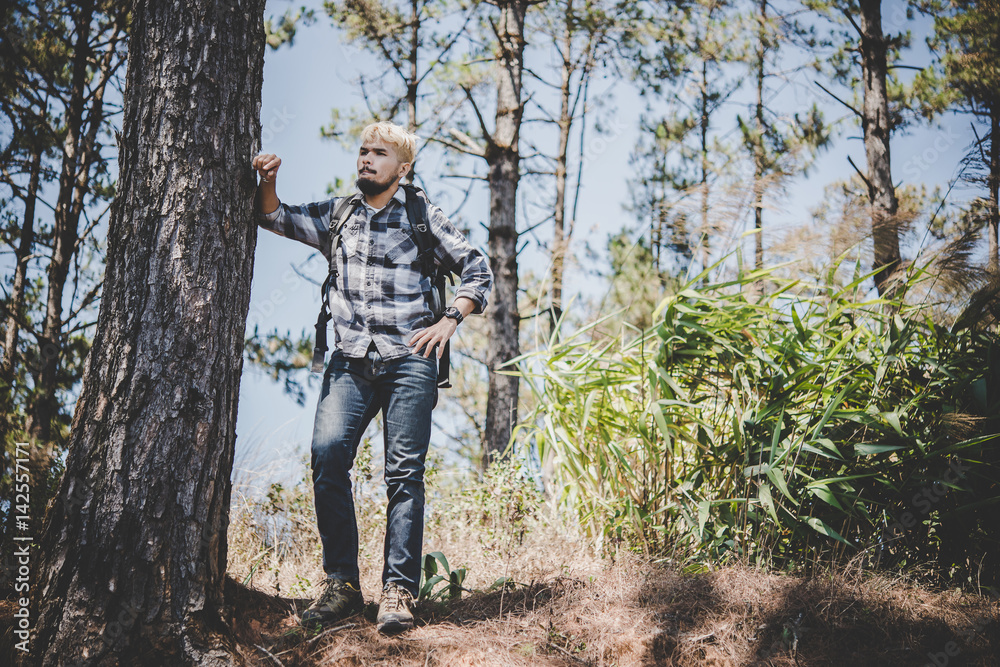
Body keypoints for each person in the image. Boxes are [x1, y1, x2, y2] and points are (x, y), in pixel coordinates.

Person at [252, 121, 493, 634]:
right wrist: (268, 180)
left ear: (401, 168)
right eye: (362, 151)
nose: (366, 160)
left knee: (403, 475)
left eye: (379, 153)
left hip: (410, 361)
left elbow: (478, 269)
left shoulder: (422, 215)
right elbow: (273, 217)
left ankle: (399, 592)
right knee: (327, 455)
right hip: (349, 361)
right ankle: (341, 586)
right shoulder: (338, 215)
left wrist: (450, 320)